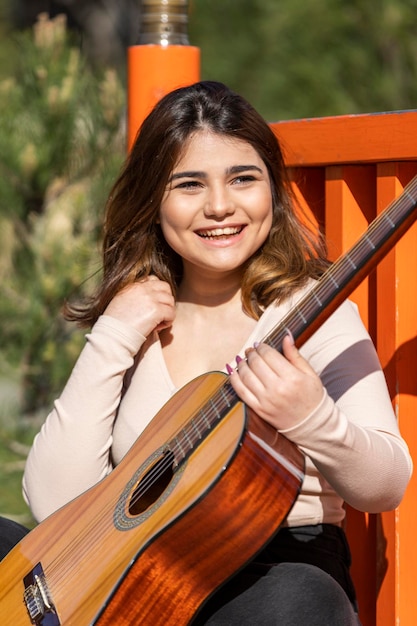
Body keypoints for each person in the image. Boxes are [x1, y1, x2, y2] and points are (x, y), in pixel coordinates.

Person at [21, 81, 412, 624]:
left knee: (298, 602)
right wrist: (114, 331)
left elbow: (387, 483)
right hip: (132, 570)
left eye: (242, 179)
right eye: (189, 184)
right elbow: (55, 502)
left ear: (271, 190)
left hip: (271, 572)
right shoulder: (137, 314)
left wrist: (312, 417)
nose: (220, 206)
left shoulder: (312, 308)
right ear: (152, 199)